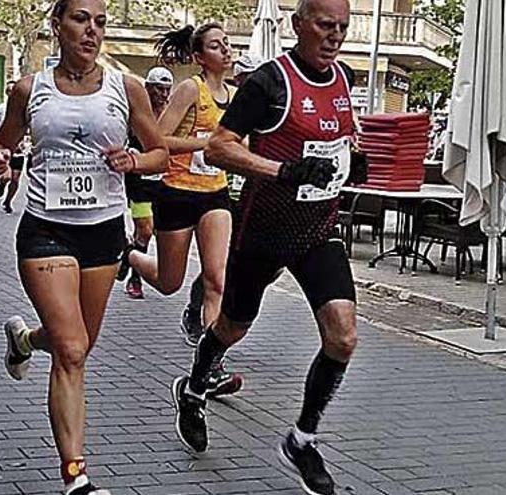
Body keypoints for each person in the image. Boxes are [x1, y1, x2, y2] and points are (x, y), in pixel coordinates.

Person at [170, 1, 368, 494]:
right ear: (298, 25)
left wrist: (353, 160)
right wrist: (282, 170)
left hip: (318, 229)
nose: (335, 36)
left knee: (342, 336)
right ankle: (194, 387)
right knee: (234, 325)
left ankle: (302, 439)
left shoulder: (343, 80)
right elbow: (219, 146)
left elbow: (338, 141)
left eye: (342, 27)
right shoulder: (268, 83)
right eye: (325, 25)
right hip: (264, 231)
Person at [0, 0, 167, 492]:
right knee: (70, 348)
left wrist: (134, 160)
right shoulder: (30, 89)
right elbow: (3, 145)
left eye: (100, 22)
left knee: (78, 344)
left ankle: (25, 340)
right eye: (81, 19)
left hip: (103, 232)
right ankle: (76, 477)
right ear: (57, 24)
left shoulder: (125, 87)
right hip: (46, 229)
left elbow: (158, 153)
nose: (92, 31)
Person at [118, 24, 236, 358]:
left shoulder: (235, 97)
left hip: (215, 193)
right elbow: (158, 139)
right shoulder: (189, 89)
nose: (226, 50)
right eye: (216, 46)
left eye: (227, 44)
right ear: (199, 57)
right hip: (178, 191)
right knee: (170, 283)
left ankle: (211, 363)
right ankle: (128, 254)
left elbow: (237, 144)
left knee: (217, 280)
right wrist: (206, 143)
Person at [178, 53, 267, 323]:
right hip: (221, 193)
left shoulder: (263, 107)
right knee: (215, 268)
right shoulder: (223, 101)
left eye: (255, 77)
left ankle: (210, 332)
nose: (250, 83)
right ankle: (197, 311)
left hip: (251, 199)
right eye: (247, 77)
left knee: (222, 268)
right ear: (238, 77)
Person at [119, 66, 173, 299]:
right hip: (138, 181)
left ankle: (128, 254)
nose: (162, 94)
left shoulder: (173, 111)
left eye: (166, 89)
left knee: (160, 232)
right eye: (158, 89)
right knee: (145, 229)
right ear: (148, 88)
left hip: (164, 181)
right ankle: (135, 278)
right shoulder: (137, 111)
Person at [0, 80, 28, 214]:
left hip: (19, 149)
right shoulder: (0, 109)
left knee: (15, 179)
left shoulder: (25, 109)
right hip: (5, 147)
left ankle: (8, 201)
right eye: (9, 91)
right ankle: (2, 185)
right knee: (6, 177)